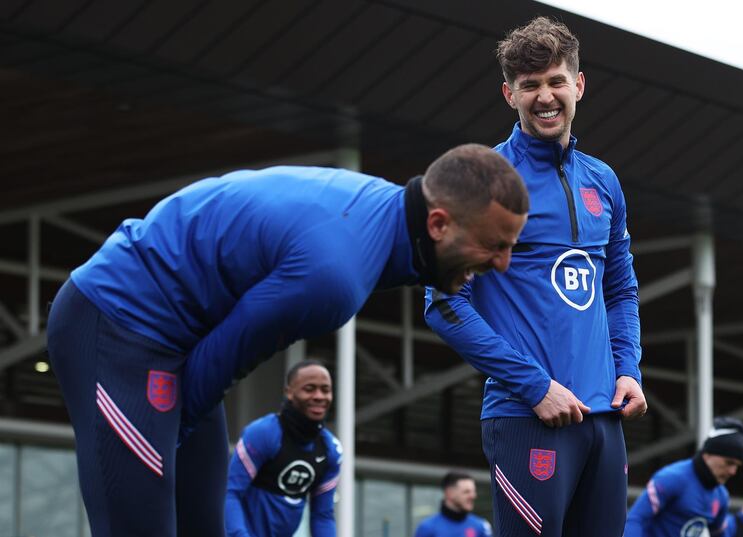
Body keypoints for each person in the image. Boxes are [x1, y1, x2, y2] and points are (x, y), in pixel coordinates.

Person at [45, 143, 529, 537]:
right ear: (438, 224)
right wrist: (153, 452)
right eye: (495, 246)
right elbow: (217, 364)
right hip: (117, 323)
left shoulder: (380, 216)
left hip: (178, 340)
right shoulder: (334, 278)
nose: (503, 264)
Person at [424, 16, 645, 537]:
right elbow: (445, 304)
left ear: (578, 85)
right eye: (530, 86)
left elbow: (620, 289)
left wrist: (628, 369)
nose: (545, 97)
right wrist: (534, 386)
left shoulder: (604, 181)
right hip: (528, 417)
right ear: (509, 94)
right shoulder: (483, 181)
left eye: (555, 81)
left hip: (604, 419)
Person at [226, 360, 340, 537]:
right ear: (289, 392)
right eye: (309, 389)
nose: (319, 396)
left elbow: (322, 515)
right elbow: (230, 493)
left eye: (326, 390)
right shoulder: (262, 433)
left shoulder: (331, 450)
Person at [625, 417, 743, 537]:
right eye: (729, 463)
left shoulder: (721, 496)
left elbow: (719, 534)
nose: (733, 471)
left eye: (737, 466)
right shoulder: (672, 478)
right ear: (708, 454)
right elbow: (636, 519)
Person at [414, 472, 493, 537]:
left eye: (473, 491)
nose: (473, 496)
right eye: (466, 492)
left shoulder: (481, 526)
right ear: (449, 493)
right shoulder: (427, 528)